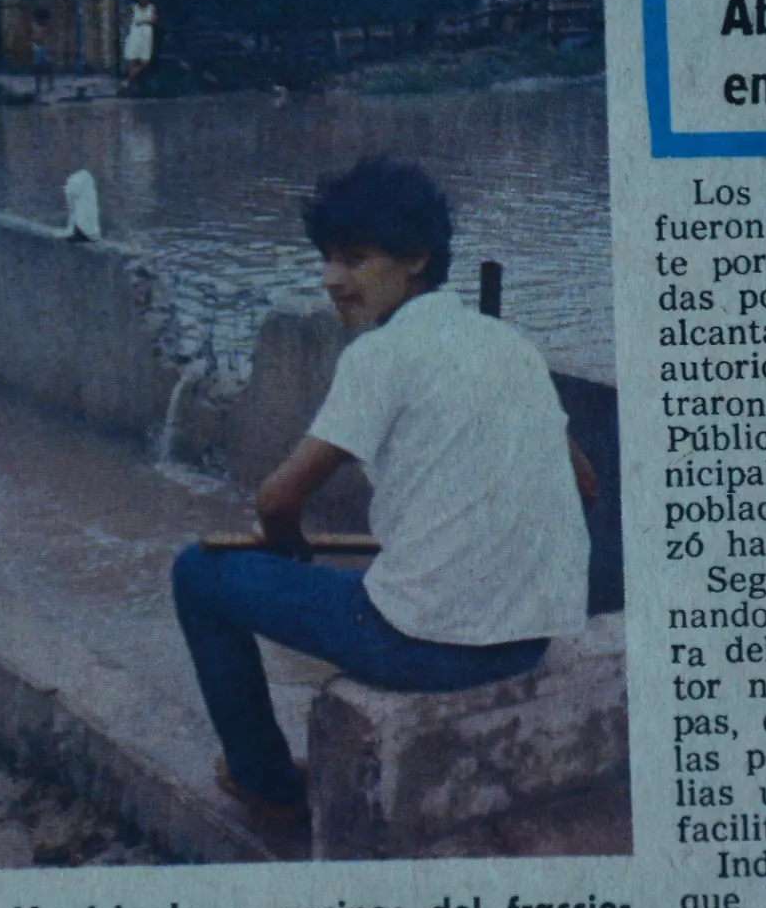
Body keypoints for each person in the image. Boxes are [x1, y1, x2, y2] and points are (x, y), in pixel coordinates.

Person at [170, 157, 598, 820]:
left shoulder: (378, 355)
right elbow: (585, 486)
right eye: (327, 259)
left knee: (199, 574)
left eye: (354, 259)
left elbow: (277, 502)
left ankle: (264, 779)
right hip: (530, 638)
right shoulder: (509, 344)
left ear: (415, 259)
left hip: (431, 651)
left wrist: (288, 550)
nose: (331, 280)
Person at [123, 0, 157, 93]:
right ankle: (132, 84)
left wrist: (145, 21)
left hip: (146, 36)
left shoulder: (151, 7)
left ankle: (128, 80)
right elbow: (124, 15)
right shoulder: (133, 8)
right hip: (136, 35)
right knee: (133, 60)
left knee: (144, 62)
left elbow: (154, 19)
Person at [30, 8, 54, 100]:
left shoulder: (45, 27)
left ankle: (49, 85)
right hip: (38, 48)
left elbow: (49, 36)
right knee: (38, 69)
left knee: (48, 67)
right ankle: (38, 88)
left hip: (44, 47)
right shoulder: (35, 26)